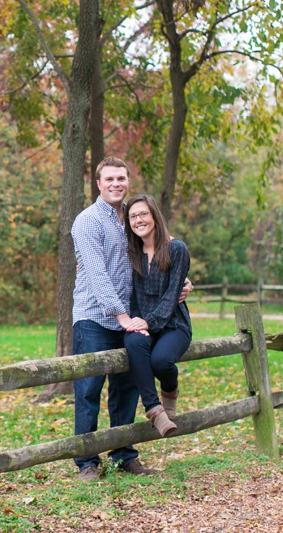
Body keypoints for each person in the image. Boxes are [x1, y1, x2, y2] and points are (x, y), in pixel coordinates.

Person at [71, 158, 190, 481]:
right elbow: (96, 274)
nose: (115, 184)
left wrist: (181, 282)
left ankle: (124, 454)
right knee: (88, 389)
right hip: (95, 318)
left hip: (132, 320)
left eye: (121, 178)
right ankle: (87, 462)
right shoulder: (88, 221)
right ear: (98, 183)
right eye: (108, 178)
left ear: (128, 181)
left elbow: (160, 252)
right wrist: (123, 317)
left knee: (126, 390)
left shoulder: (131, 218)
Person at [122, 193, 193, 439]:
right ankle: (154, 410)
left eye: (143, 214)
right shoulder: (131, 253)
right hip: (143, 323)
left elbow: (173, 295)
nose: (138, 220)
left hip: (174, 324)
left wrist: (148, 321)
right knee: (132, 342)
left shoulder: (176, 248)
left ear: (154, 216)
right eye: (133, 216)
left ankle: (170, 390)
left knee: (161, 361)